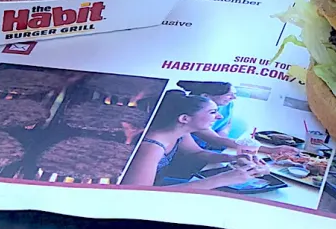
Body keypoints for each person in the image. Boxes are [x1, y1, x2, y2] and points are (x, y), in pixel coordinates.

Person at [122, 90, 270, 190]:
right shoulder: (151, 147)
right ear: (184, 118)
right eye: (212, 112)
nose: (219, 117)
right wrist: (222, 179)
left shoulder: (179, 132)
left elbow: (196, 153)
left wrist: (233, 158)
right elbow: (138, 195)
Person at [177, 80, 300, 158]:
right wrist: (270, 150)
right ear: (205, 96)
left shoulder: (228, 105)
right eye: (229, 95)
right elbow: (214, 140)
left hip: (212, 147)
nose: (234, 97)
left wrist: (225, 142)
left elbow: (225, 128)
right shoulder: (192, 113)